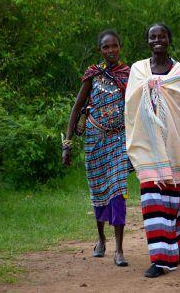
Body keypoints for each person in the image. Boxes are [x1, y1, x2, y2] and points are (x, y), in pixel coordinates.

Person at [124, 23, 180, 278]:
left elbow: (177, 100)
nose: (157, 40)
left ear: (169, 39)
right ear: (147, 41)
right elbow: (131, 103)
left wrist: (152, 87)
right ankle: (160, 259)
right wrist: (151, 86)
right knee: (152, 200)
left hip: (171, 144)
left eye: (161, 36)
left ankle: (173, 247)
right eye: (152, 37)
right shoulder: (138, 69)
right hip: (147, 146)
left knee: (172, 200)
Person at [63, 30, 132, 267]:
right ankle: (101, 239)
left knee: (118, 190)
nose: (111, 50)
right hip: (94, 139)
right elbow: (76, 108)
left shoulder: (130, 75)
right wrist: (67, 145)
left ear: (120, 47)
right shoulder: (93, 75)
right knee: (99, 190)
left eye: (114, 46)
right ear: (100, 50)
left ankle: (120, 249)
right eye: (106, 47)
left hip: (119, 139)